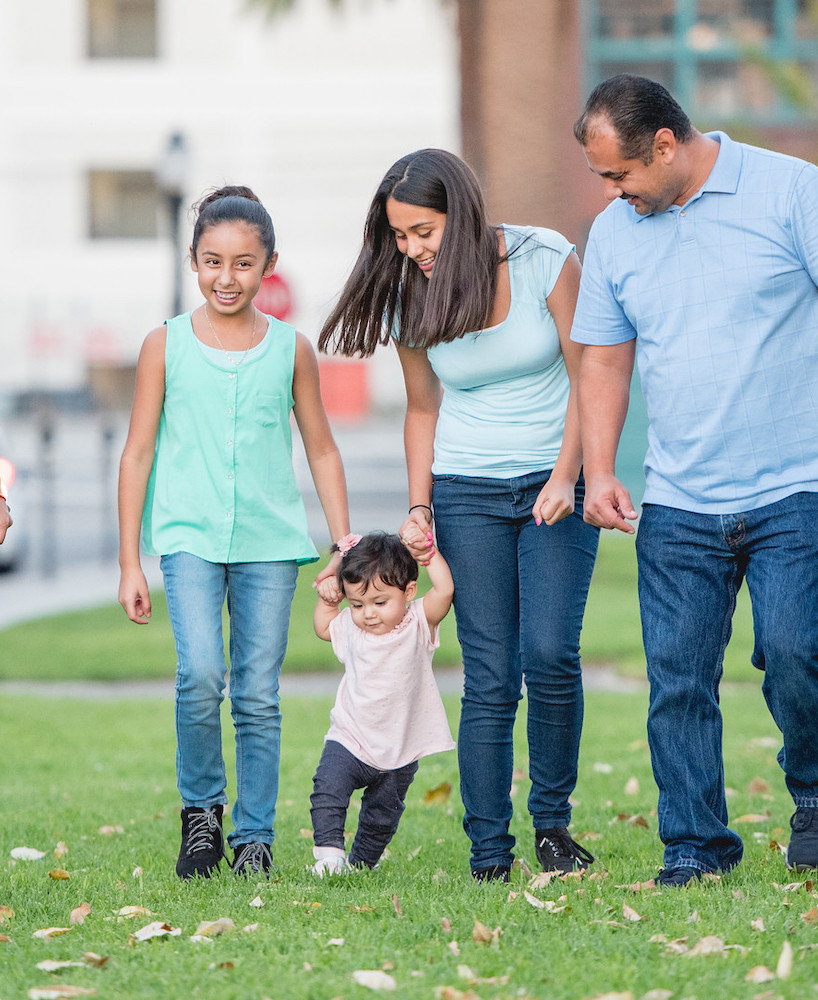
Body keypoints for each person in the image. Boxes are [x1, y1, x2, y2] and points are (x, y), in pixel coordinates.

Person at [570, 75, 818, 887]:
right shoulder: (616, 233)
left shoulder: (792, 188)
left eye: (619, 175)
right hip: (679, 496)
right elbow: (605, 360)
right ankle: (693, 846)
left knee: (797, 651)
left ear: (664, 145)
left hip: (796, 481)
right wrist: (598, 468)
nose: (613, 194)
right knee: (677, 679)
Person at [319, 149, 600, 882]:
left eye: (423, 231)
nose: (410, 249)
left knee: (550, 653)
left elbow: (588, 376)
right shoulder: (411, 294)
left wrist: (568, 474)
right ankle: (488, 851)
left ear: (463, 212)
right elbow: (421, 407)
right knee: (490, 673)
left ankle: (552, 825)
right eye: (399, 236)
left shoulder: (544, 258)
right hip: (467, 490)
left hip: (552, 482)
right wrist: (419, 507)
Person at [118, 185, 351, 880]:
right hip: (186, 538)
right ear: (194, 261)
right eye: (214, 262)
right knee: (199, 677)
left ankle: (254, 835)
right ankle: (201, 816)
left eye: (244, 264)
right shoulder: (163, 345)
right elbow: (137, 453)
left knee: (255, 692)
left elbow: (323, 450)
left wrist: (343, 545)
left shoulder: (291, 350)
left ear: (268, 265)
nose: (228, 278)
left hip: (270, 543)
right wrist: (130, 560)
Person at [310, 530, 455, 875]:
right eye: (357, 604)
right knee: (328, 789)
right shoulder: (351, 627)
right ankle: (330, 856)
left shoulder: (419, 622)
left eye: (380, 602)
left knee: (382, 813)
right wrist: (329, 600)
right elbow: (322, 627)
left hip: (401, 745)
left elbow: (445, 590)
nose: (368, 614)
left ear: (408, 591)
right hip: (350, 735)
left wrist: (427, 552)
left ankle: (362, 864)